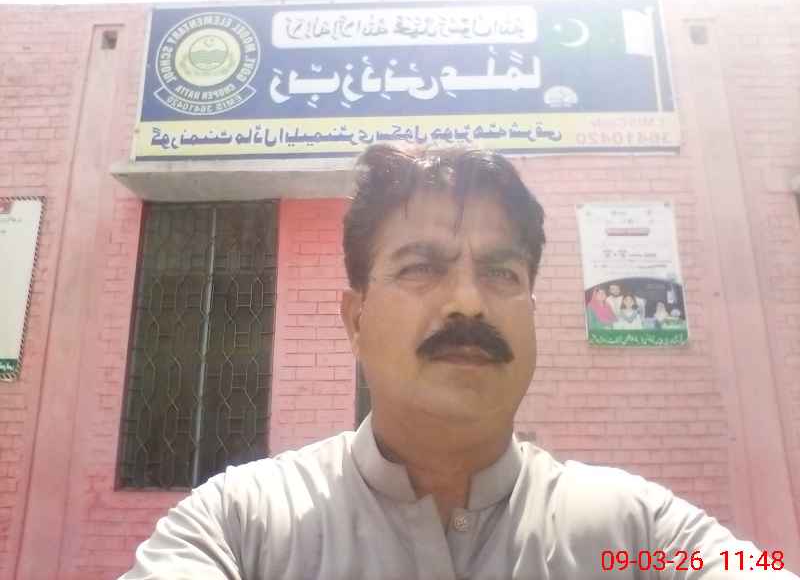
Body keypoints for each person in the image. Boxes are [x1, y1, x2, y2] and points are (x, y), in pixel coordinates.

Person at [119, 145, 797, 579]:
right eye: (421, 267)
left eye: (501, 273)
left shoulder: (637, 532)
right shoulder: (238, 528)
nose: (468, 302)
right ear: (355, 320)